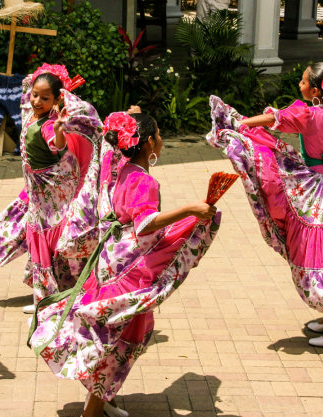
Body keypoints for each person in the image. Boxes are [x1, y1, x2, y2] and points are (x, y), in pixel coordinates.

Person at [28, 111, 220, 417]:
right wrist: (190, 210)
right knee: (123, 335)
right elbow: (145, 225)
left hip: (112, 262)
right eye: (158, 134)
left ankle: (104, 399)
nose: (162, 139)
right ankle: (93, 408)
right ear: (148, 145)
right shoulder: (144, 180)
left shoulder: (121, 169)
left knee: (113, 329)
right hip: (131, 269)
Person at [208, 59, 323, 347]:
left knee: (321, 251)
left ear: (314, 92)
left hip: (313, 189)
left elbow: (274, 120)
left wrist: (240, 123)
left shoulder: (308, 114)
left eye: (302, 81)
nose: (299, 85)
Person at [0, 64, 102, 313]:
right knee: (39, 243)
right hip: (36, 196)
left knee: (51, 243)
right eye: (34, 94)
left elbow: (57, 147)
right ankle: (45, 296)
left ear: (57, 99)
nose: (36, 101)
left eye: (44, 98)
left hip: (49, 198)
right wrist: (28, 84)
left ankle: (55, 297)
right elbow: (26, 95)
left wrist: (58, 131)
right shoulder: (31, 113)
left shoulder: (48, 124)